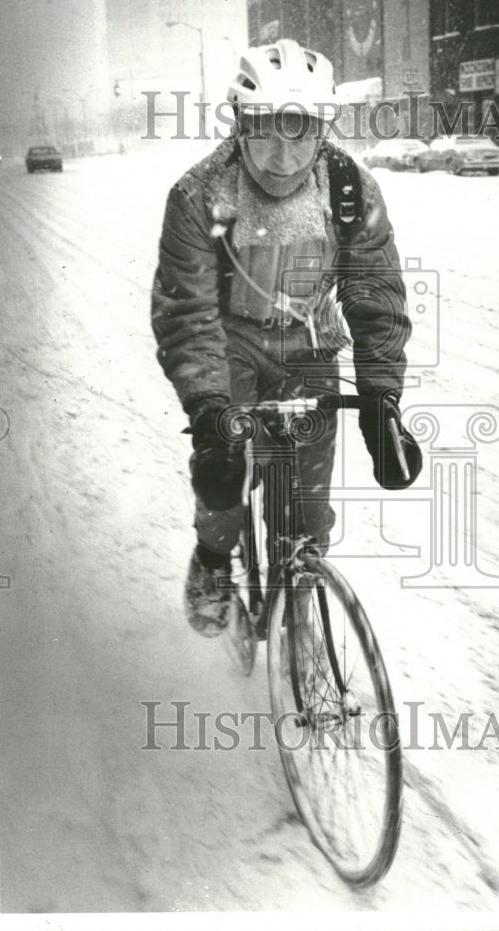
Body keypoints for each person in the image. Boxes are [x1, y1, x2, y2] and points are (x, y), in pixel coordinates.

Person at [151, 38, 422, 636]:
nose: (282, 155)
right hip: (231, 341)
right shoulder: (200, 196)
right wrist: (208, 408)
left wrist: (382, 400)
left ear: (323, 128)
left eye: (300, 130)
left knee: (305, 508)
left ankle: (299, 609)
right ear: (239, 123)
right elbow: (186, 313)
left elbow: (375, 296)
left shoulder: (349, 191)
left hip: (309, 342)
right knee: (224, 468)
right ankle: (216, 556)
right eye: (265, 129)